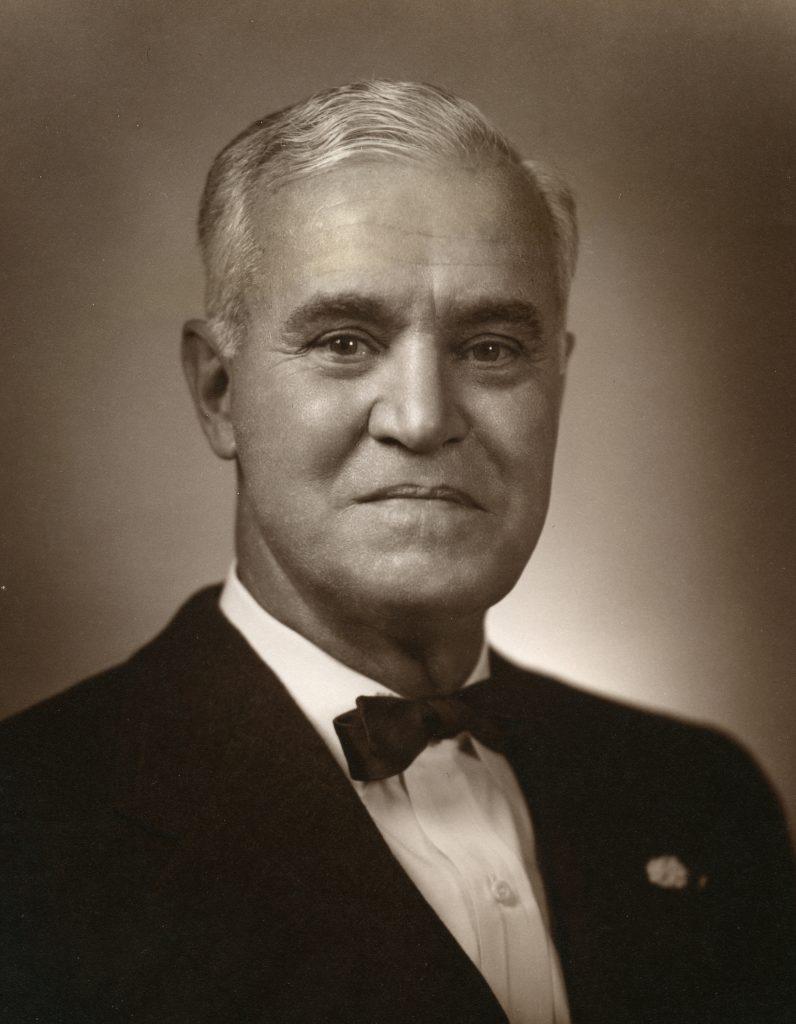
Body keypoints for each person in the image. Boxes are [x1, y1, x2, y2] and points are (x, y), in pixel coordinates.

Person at [0, 81, 792, 1024]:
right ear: (219, 392)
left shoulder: (702, 795)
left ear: (559, 386)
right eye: (345, 340)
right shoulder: (30, 827)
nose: (423, 418)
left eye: (492, 349)